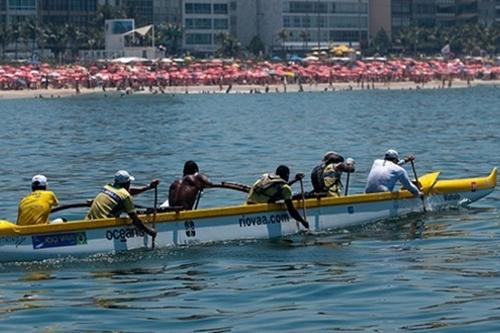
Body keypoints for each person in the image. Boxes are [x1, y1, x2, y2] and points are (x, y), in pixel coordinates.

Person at [86, 170, 158, 237]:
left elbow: (127, 191)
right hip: (103, 225)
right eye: (129, 182)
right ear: (127, 183)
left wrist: (148, 187)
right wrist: (150, 231)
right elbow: (135, 221)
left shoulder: (107, 187)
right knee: (129, 210)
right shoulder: (125, 196)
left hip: (87, 223)